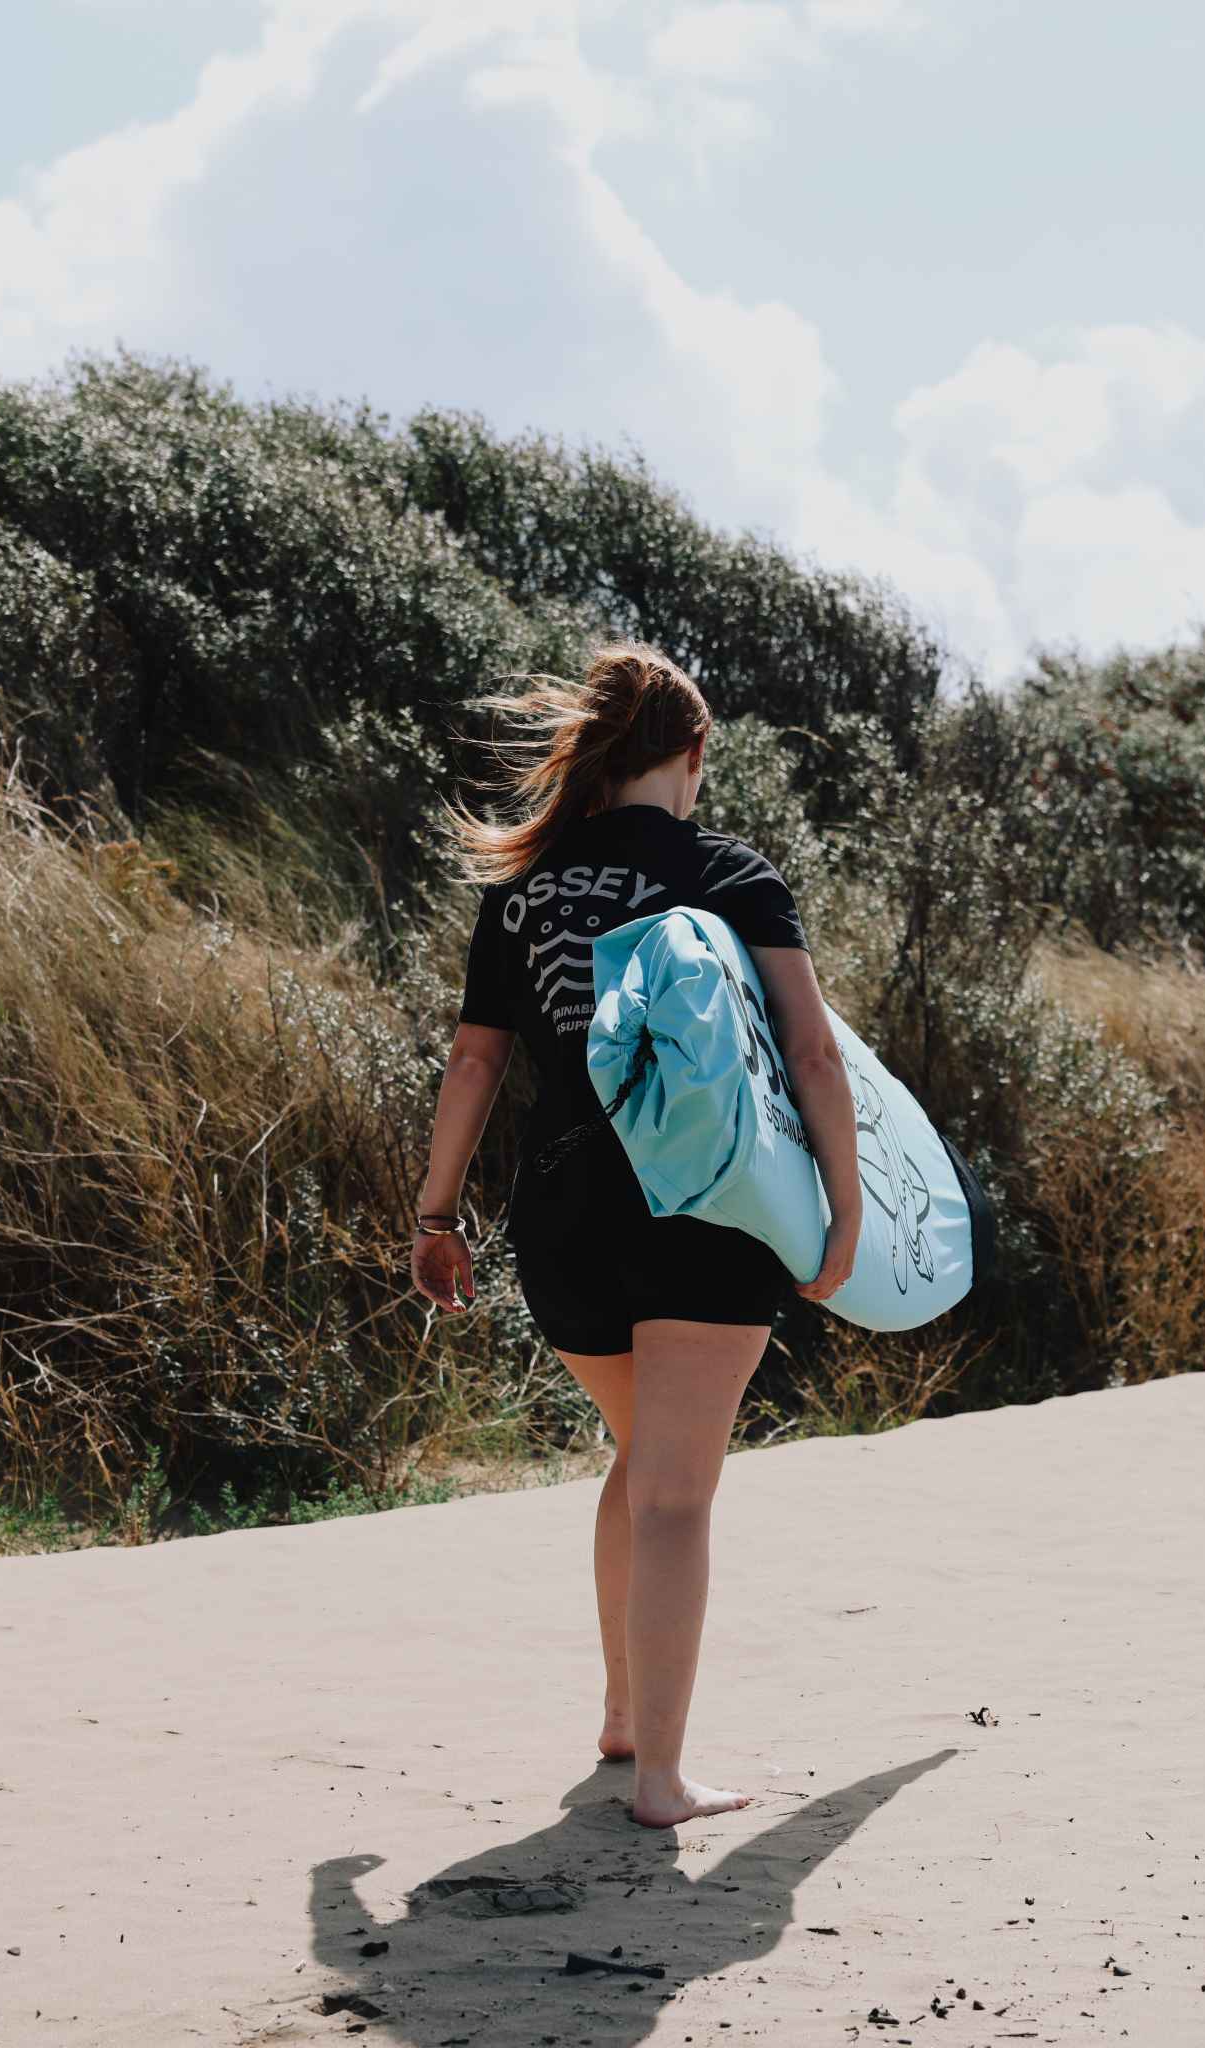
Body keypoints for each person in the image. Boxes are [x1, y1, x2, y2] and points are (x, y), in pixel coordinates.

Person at [409, 641, 863, 1829]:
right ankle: (659, 1777)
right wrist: (845, 1207)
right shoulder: (728, 871)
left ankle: (622, 1716)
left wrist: (434, 1212)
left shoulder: (524, 891)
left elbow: (475, 1059)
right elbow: (810, 1053)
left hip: (557, 1216)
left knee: (636, 1457)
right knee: (674, 1492)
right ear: (692, 752)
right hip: (700, 1209)